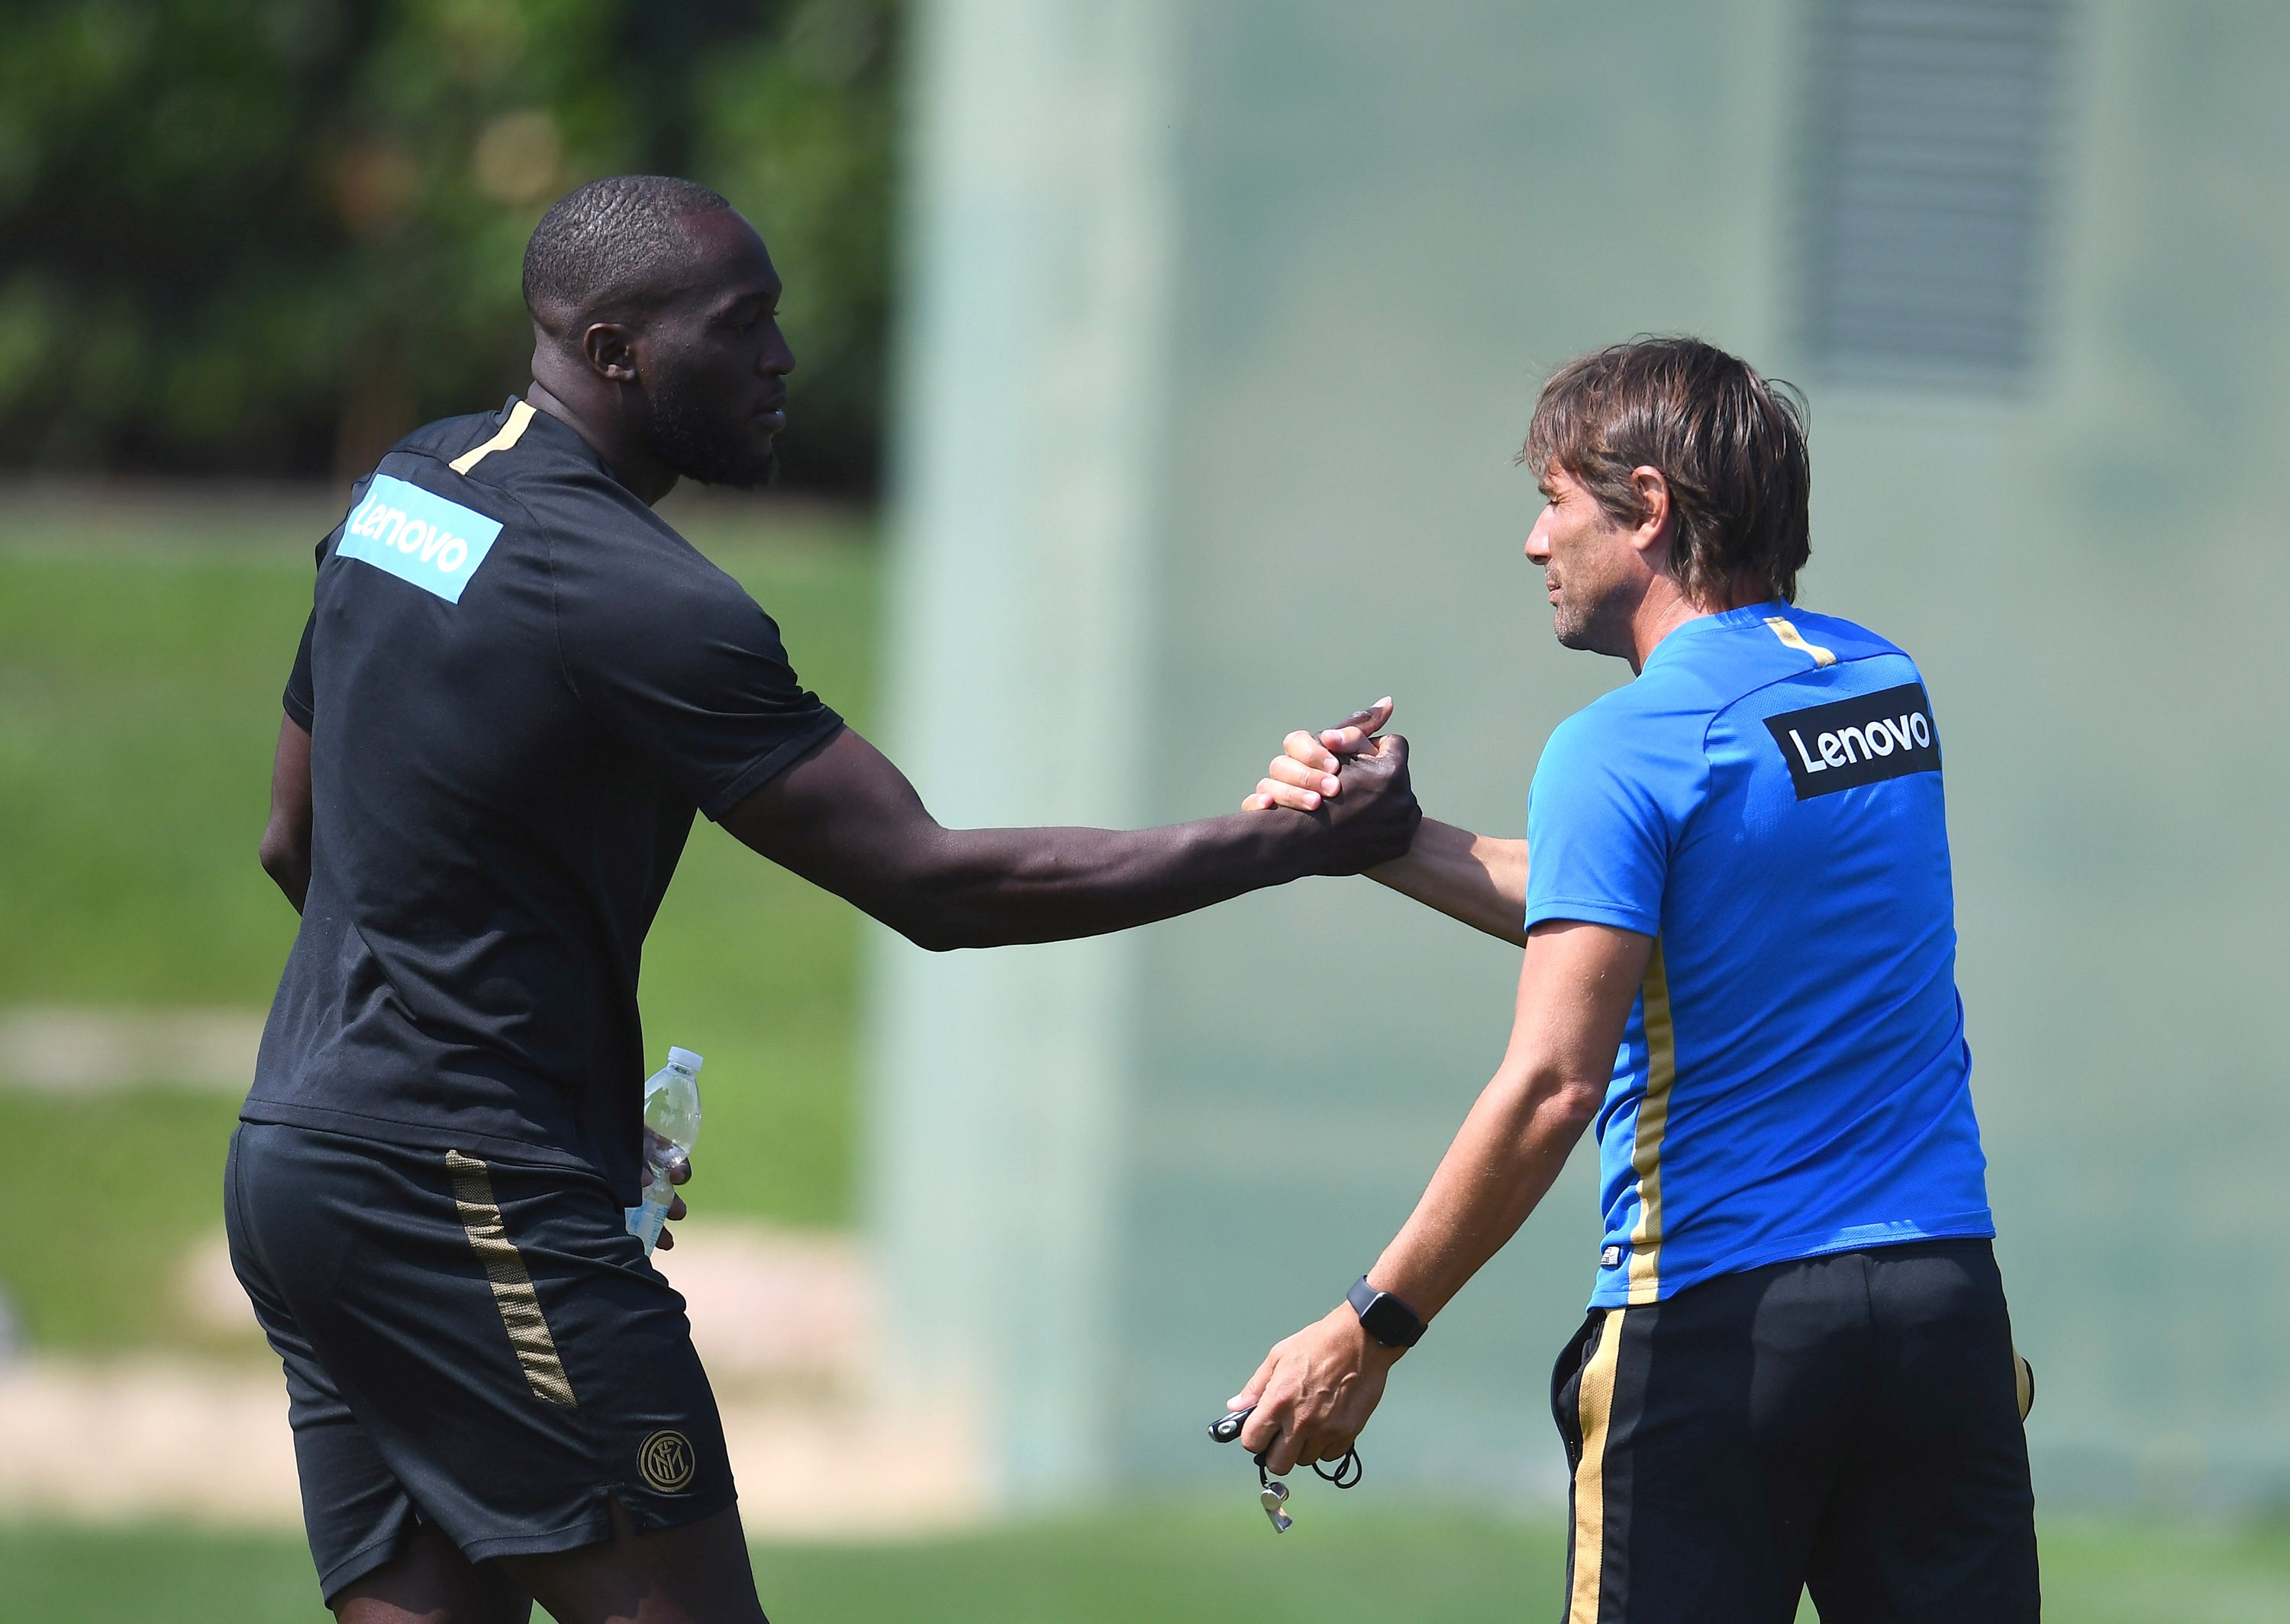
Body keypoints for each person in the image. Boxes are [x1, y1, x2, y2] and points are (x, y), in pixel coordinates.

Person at [231, 174, 1418, 1624]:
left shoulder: (408, 486)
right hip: (471, 1189)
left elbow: (298, 836)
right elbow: (934, 883)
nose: (783, 359)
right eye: (744, 327)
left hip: (299, 1162)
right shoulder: (643, 597)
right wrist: (1289, 841)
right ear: (617, 352)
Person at [1229, 337, 2037, 1622]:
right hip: (1941, 1314)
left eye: (1555, 501)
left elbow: (1555, 1085)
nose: (1535, 543)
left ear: (1649, 509)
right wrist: (1387, 842)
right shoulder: (1883, 684)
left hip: (1720, 1328)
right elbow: (1654, 906)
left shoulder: (1623, 743)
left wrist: (1367, 1328)